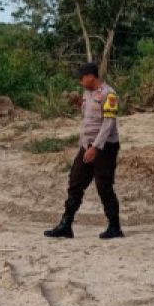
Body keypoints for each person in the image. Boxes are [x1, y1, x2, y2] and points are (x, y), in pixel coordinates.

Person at [45, 62, 123, 239]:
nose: (80, 82)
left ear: (91, 77)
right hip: (86, 144)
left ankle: (114, 226)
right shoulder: (88, 93)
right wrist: (79, 103)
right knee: (75, 182)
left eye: (82, 78)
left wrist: (96, 147)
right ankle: (66, 224)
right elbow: (88, 114)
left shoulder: (109, 95)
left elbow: (108, 124)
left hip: (105, 147)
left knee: (104, 186)